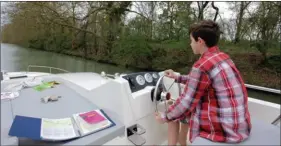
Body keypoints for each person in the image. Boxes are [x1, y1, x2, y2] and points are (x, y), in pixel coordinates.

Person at [155, 20, 252, 146]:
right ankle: (182, 142)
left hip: (223, 131)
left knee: (174, 112)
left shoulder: (201, 66)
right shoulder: (223, 57)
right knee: (177, 111)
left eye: (191, 41)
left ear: (200, 41)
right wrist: (177, 77)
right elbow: (199, 82)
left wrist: (164, 117)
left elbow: (186, 103)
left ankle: (179, 142)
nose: (190, 44)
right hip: (240, 126)